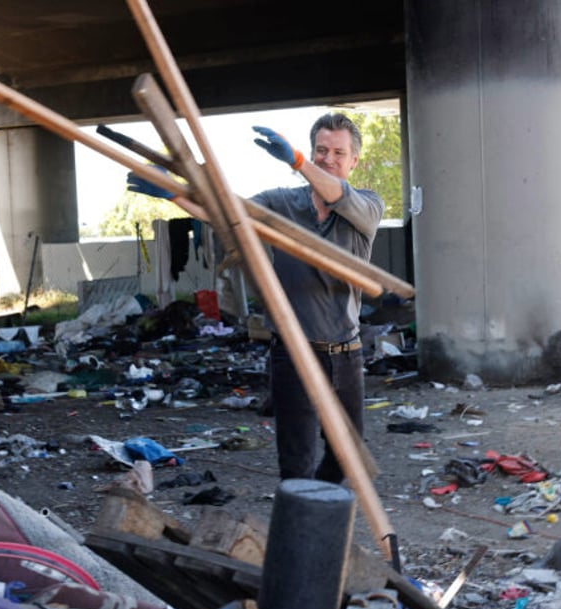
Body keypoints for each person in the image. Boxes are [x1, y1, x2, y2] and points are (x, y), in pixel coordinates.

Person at [126, 112, 384, 484]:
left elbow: (335, 192)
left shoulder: (366, 207)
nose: (328, 158)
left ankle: (317, 512)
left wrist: (298, 161)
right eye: (321, 150)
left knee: (347, 457)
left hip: (345, 353)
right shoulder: (281, 203)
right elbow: (228, 214)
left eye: (338, 153)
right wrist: (177, 194)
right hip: (294, 352)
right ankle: (300, 524)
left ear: (354, 161)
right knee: (296, 462)